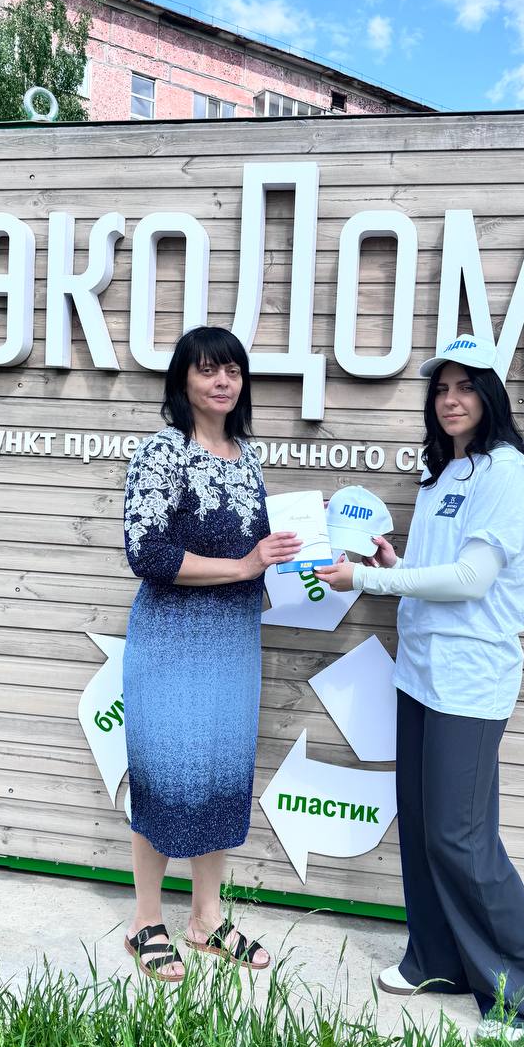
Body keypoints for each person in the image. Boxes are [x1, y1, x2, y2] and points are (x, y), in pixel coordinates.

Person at [315, 335, 524, 1039]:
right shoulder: (443, 472)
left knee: (462, 839)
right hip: (420, 673)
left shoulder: (506, 472)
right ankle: (436, 961)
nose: (451, 399)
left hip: (470, 680)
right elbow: (436, 568)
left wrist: (365, 578)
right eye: (441, 389)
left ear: (490, 395)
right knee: (424, 830)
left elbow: (472, 580)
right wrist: (394, 563)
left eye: (465, 386)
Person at [121, 326, 300, 983]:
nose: (222, 381)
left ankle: (206, 918)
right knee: (165, 779)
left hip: (232, 645)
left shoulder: (247, 458)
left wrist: (306, 554)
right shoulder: (162, 452)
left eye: (232, 370)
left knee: (223, 779)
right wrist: (244, 565)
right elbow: (148, 553)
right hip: (171, 643)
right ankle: (145, 921)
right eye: (207, 370)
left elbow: (259, 554)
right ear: (184, 380)